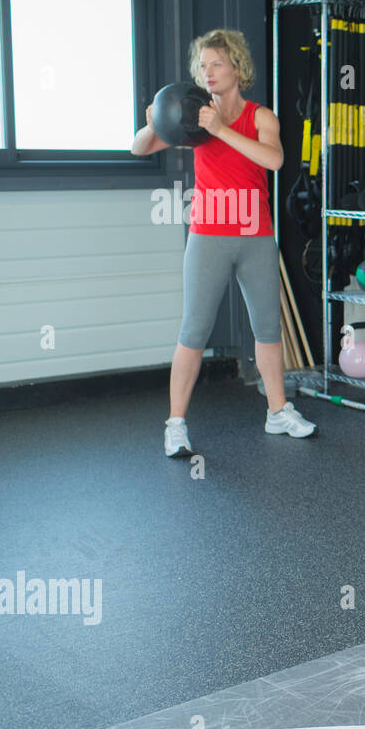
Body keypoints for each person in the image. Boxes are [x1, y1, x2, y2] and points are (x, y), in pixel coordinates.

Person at [132, 29, 316, 457]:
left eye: (216, 63)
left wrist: (221, 129)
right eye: (202, 65)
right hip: (209, 236)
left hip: (255, 238)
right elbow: (139, 148)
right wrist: (152, 122)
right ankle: (175, 425)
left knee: (268, 331)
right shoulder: (192, 116)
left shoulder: (260, 116)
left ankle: (277, 410)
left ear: (237, 68)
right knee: (194, 332)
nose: (207, 72)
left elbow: (273, 160)